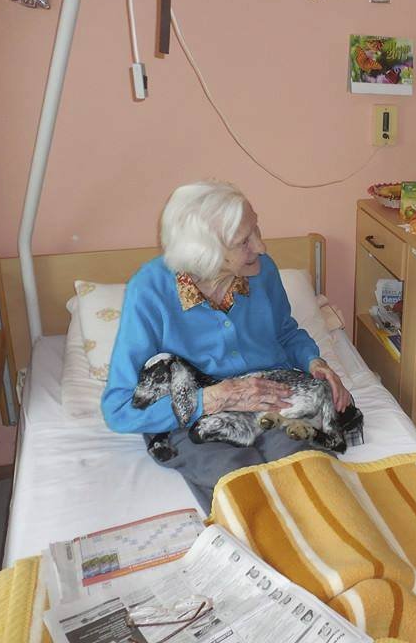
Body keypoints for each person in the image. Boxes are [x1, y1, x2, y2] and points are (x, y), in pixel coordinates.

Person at [102, 180, 351, 513]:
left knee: (314, 480)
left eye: (256, 229)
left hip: (270, 394)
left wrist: (315, 363)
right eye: (244, 241)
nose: (261, 247)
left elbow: (285, 332)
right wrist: (215, 398)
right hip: (197, 415)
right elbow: (119, 409)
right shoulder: (148, 292)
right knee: (244, 497)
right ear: (204, 253)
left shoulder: (261, 272)